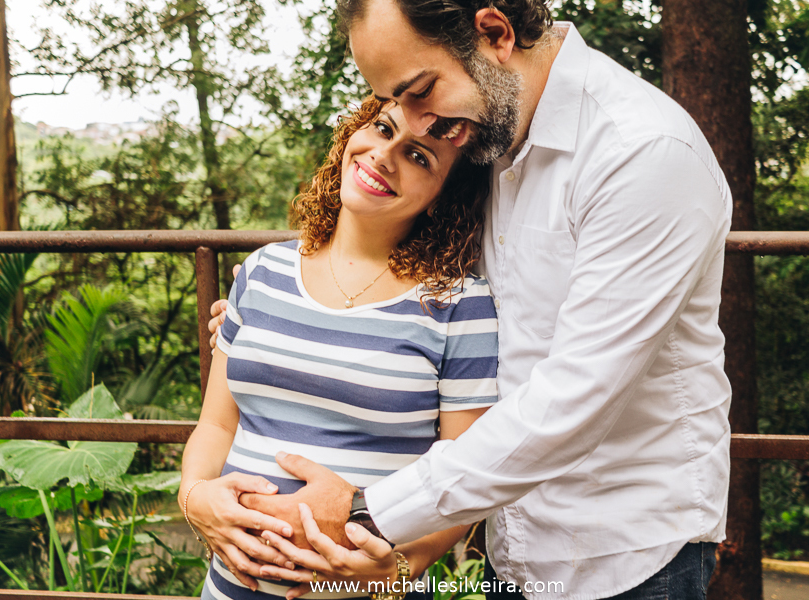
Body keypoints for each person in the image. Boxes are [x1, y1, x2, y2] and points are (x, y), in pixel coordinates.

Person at [211, 1, 733, 598]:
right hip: (512, 541)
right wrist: (284, 327)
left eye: (420, 89)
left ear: (494, 33)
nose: (416, 123)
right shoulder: (487, 132)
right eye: (392, 102)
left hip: (625, 552)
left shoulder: (642, 153)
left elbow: (576, 400)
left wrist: (363, 509)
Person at [179, 96, 499, 599]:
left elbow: (464, 477)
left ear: (444, 194)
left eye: (420, 156)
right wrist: (194, 496)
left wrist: (397, 570)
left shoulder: (460, 304)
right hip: (228, 588)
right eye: (382, 127)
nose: (382, 155)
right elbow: (217, 424)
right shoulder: (262, 271)